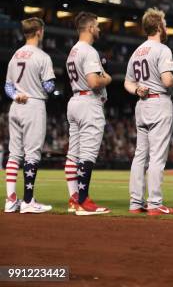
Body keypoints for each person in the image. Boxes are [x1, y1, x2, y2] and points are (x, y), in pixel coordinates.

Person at [125, 8, 173, 215]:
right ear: (158, 26)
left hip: (142, 104)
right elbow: (167, 80)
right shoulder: (162, 49)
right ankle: (155, 203)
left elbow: (128, 82)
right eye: (163, 24)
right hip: (159, 102)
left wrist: (138, 89)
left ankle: (135, 202)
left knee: (140, 156)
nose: (165, 27)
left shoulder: (137, 51)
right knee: (157, 157)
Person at [4, 17, 55, 214]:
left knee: (14, 154)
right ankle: (27, 200)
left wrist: (17, 94)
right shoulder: (42, 57)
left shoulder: (15, 55)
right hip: (34, 104)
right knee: (32, 154)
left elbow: (8, 86)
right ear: (39, 32)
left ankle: (10, 200)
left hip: (15, 104)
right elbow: (49, 87)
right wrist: (38, 85)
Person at [64, 12, 113, 215]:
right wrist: (108, 79)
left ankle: (75, 198)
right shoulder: (88, 50)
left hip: (75, 101)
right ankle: (83, 201)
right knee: (87, 154)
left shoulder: (73, 51)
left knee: (73, 153)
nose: (99, 29)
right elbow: (94, 82)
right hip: (88, 103)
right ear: (90, 28)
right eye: (97, 26)